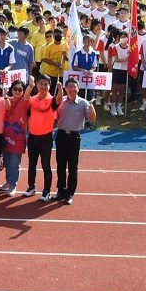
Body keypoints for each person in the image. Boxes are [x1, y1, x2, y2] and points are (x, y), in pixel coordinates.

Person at [54, 76, 97, 205]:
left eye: (74, 86)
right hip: (61, 135)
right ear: (66, 88)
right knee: (60, 166)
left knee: (73, 167)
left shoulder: (84, 103)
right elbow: (55, 116)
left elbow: (92, 119)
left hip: (74, 137)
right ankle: (61, 191)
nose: (72, 89)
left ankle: (70, 194)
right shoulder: (61, 101)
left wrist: (92, 107)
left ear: (78, 88)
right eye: (70, 87)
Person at [0, 79, 29, 193]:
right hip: (6, 134)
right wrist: (6, 96)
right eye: (15, 89)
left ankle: (13, 185)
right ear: (11, 90)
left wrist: (31, 85)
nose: (17, 91)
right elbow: (6, 108)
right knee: (7, 161)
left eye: (20, 89)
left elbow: (28, 93)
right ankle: (8, 182)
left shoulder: (25, 101)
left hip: (18, 137)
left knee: (14, 162)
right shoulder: (7, 100)